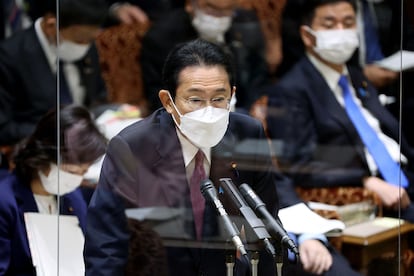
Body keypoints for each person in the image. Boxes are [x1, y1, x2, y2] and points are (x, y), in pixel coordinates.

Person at [84, 39, 280, 275]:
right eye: (195, 100)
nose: (209, 111)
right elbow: (107, 244)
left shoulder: (248, 133)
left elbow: (266, 229)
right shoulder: (133, 147)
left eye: (219, 99)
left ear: (233, 94)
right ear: (168, 101)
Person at [266, 0, 414, 224]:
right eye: (329, 24)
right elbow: (300, 165)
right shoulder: (291, 90)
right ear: (308, 36)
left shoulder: (355, 76)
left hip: (405, 173)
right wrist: (365, 180)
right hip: (376, 192)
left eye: (348, 23)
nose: (341, 32)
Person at [0, 104, 107, 275]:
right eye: (70, 171)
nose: (76, 179)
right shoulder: (6, 203)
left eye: (83, 172)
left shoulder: (73, 198)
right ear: (43, 156)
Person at [0, 0, 108, 147]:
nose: (85, 46)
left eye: (89, 40)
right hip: (40, 147)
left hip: (87, 139)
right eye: (80, 40)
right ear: (51, 26)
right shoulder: (9, 57)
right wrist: (60, 135)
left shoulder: (85, 43)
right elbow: (4, 128)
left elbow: (98, 95)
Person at [140, 0, 271, 114]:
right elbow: (157, 95)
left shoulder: (245, 23)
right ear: (190, 5)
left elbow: (258, 77)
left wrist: (252, 110)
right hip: (187, 121)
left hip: (239, 115)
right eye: (212, 8)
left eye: (227, 9)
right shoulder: (162, 37)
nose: (219, 17)